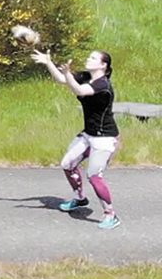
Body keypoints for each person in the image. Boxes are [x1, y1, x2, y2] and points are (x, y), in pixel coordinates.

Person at [31, 49, 121, 230]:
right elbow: (63, 80)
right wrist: (49, 62)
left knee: (94, 176)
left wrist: (67, 74)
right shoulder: (87, 76)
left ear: (103, 65)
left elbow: (79, 89)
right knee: (67, 163)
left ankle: (111, 214)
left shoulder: (102, 85)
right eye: (89, 56)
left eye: (93, 58)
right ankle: (80, 199)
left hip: (105, 138)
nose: (89, 59)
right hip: (88, 135)